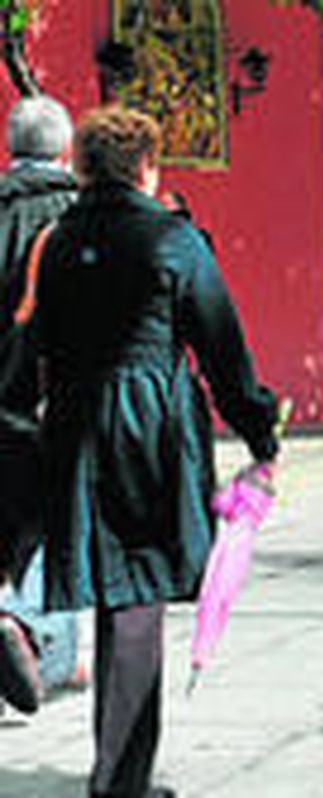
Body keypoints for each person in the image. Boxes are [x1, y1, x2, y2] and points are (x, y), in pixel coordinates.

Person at [34, 106, 281, 798]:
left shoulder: (58, 240)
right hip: (148, 430)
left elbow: (40, 342)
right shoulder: (172, 238)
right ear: (147, 166)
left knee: (117, 594)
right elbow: (221, 346)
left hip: (77, 427)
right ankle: (120, 782)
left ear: (82, 165)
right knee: (137, 595)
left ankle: (118, 772)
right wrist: (260, 430)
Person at [0, 95, 83, 718]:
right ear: (63, 150)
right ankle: (34, 633)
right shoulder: (85, 218)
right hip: (56, 404)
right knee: (57, 529)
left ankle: (38, 647)